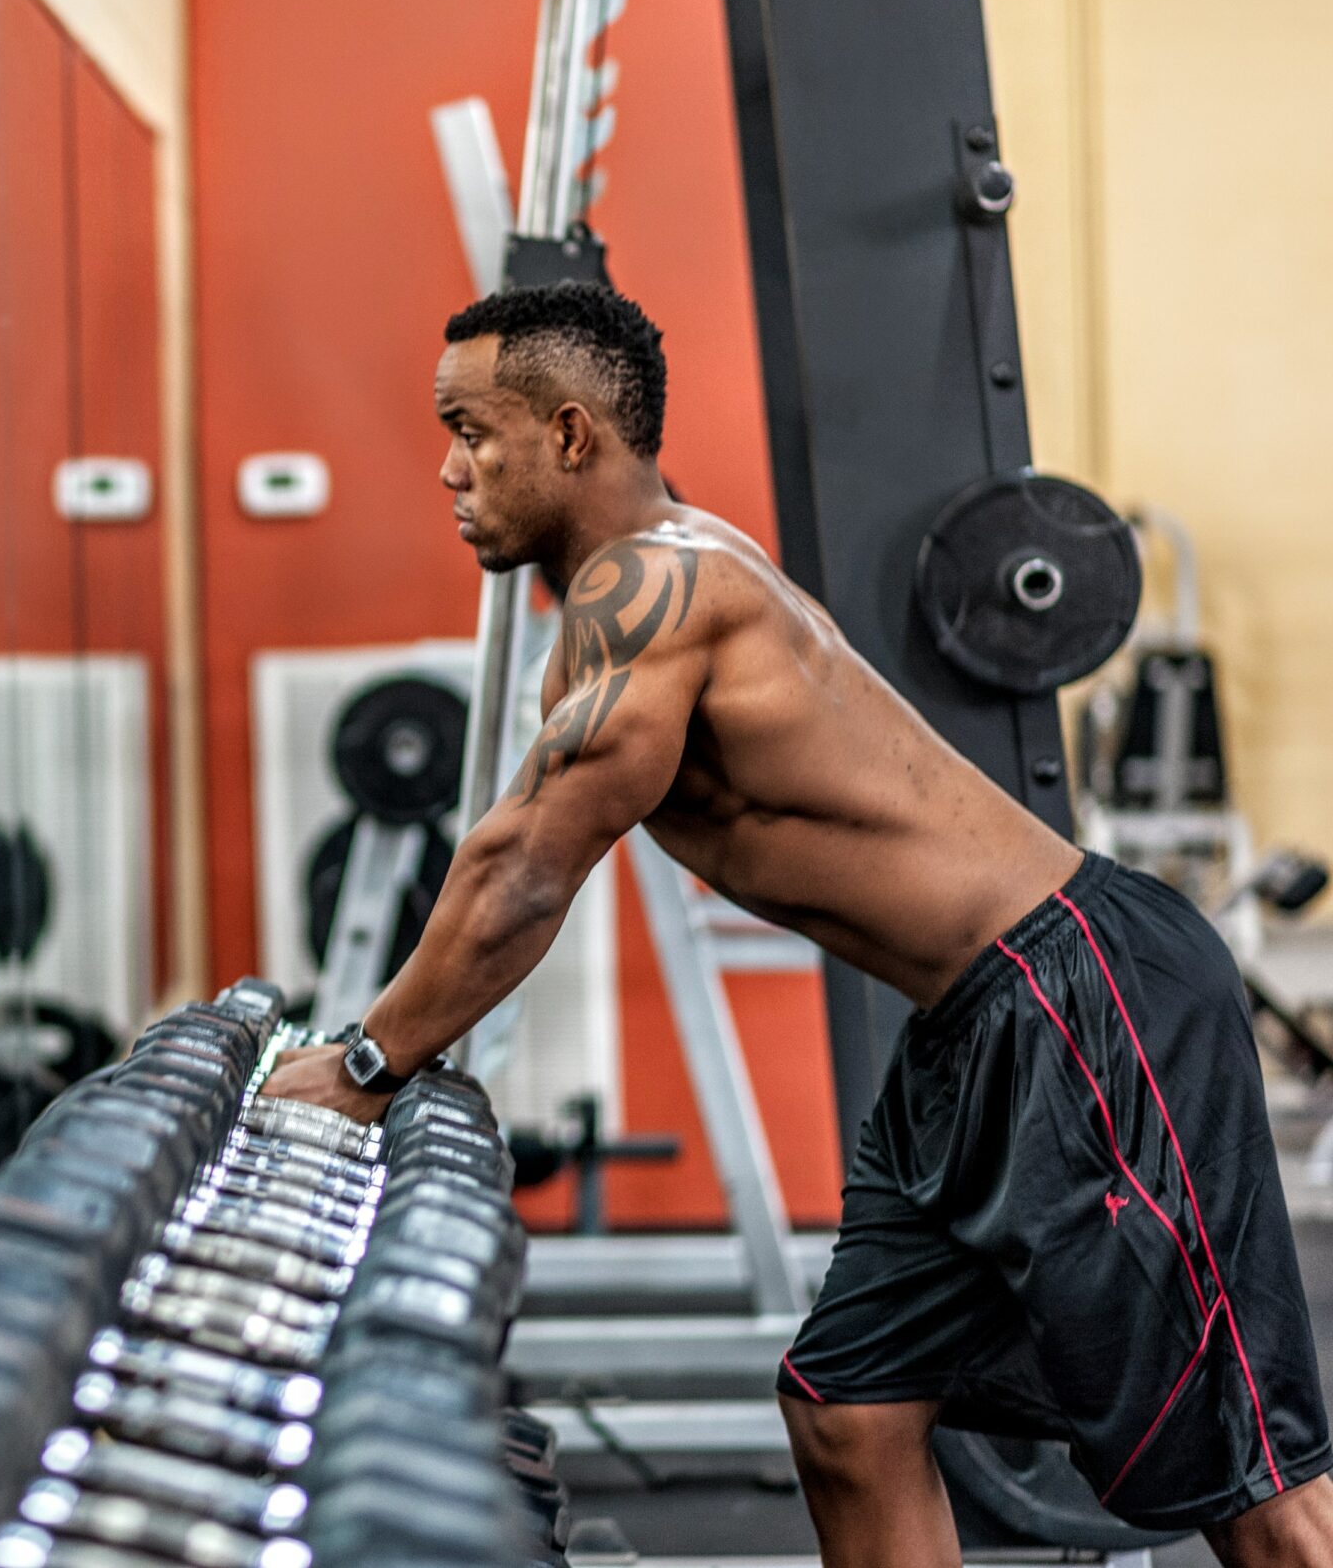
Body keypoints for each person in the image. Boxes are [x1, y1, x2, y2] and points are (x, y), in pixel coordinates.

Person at [260, 282, 1333, 1564]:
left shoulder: (654, 590)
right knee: (850, 1408)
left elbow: (523, 868)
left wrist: (368, 1065)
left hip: (1083, 996)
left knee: (1257, 1484)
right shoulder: (646, 583)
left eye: (469, 430)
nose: (447, 467)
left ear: (566, 434)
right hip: (970, 1030)